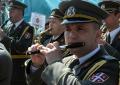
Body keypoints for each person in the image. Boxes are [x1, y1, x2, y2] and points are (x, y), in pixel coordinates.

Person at [28, 0, 119, 85]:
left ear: (98, 35)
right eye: (68, 29)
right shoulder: (65, 60)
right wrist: (37, 65)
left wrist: (55, 64)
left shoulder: (110, 66)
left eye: (80, 29)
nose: (71, 35)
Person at [25, 8, 66, 85]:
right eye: (49, 21)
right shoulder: (46, 41)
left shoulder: (66, 43)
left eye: (54, 22)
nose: (50, 24)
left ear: (63, 24)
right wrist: (35, 65)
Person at [4, 1, 34, 85]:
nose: (9, 12)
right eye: (9, 10)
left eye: (12, 10)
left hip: (17, 70)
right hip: (6, 66)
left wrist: (5, 37)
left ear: (20, 12)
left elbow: (22, 47)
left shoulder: (28, 28)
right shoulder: (8, 26)